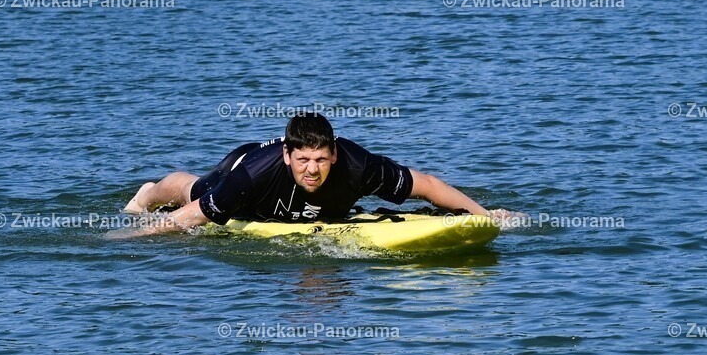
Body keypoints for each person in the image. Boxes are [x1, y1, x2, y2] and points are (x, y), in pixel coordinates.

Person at [115, 113, 514, 237]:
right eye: (304, 159)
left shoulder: (357, 164)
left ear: (334, 155)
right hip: (242, 169)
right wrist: (133, 236)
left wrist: (485, 214)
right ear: (289, 156)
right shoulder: (253, 174)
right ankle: (148, 192)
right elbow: (193, 214)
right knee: (194, 190)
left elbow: (426, 185)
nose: (312, 169)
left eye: (322, 160)